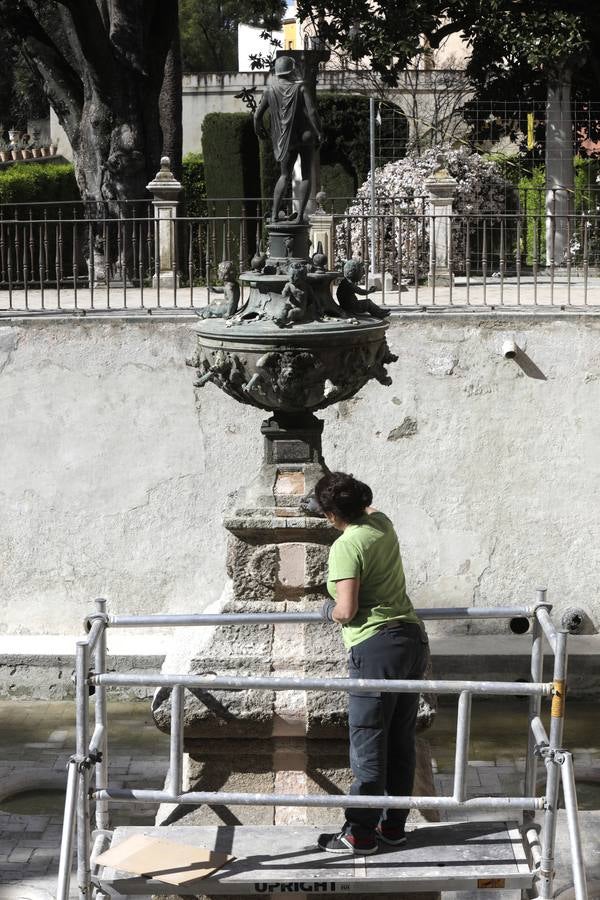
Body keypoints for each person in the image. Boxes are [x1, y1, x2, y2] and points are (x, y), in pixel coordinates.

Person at [314, 471, 429, 855]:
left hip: (376, 649)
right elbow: (366, 506)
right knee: (400, 741)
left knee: (369, 742)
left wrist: (326, 609)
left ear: (331, 514)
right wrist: (340, 494)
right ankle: (393, 827)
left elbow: (346, 610)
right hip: (411, 641)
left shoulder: (346, 545)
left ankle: (359, 834)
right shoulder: (381, 523)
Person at [253, 55, 324, 224]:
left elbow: (257, 116)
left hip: (285, 139)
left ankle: (274, 215)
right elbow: (312, 112)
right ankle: (299, 217)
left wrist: (259, 130)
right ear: (291, 70)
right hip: (305, 135)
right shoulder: (301, 88)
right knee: (306, 174)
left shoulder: (269, 90)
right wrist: (320, 132)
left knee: (284, 175)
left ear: (277, 72)